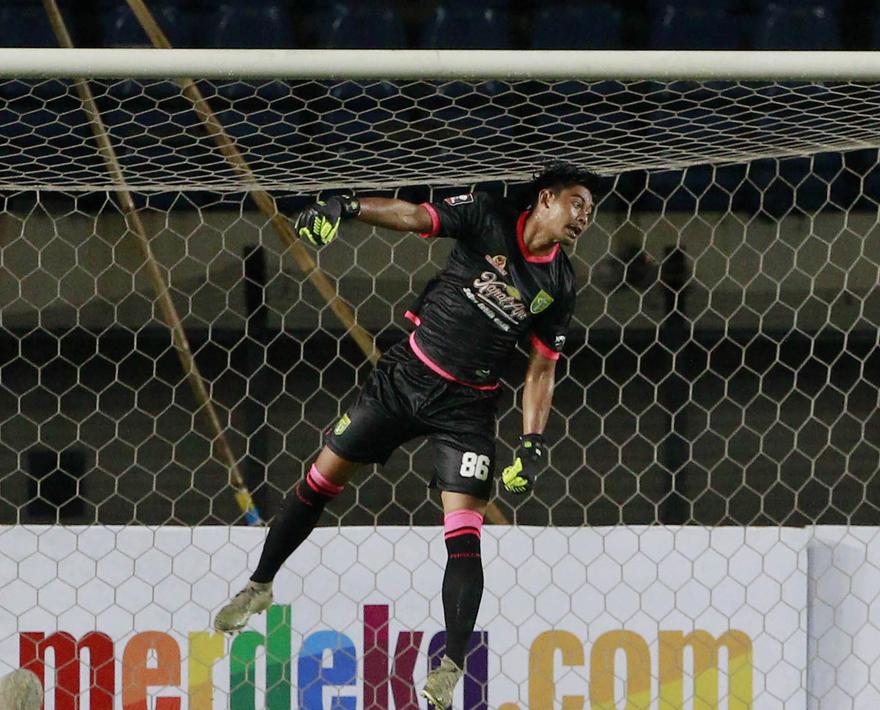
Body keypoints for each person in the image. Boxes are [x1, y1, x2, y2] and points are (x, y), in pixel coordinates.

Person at [213, 162, 601, 708]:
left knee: (464, 534)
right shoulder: (487, 216)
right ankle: (260, 584)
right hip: (403, 381)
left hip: (467, 409)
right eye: (577, 203)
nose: (584, 217)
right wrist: (348, 205)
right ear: (545, 199)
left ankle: (451, 665)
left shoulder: (558, 283)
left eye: (591, 211)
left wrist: (533, 443)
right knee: (321, 479)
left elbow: (542, 369)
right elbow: (416, 215)